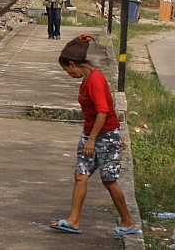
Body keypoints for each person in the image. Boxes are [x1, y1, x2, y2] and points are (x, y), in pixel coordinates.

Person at [50, 35, 139, 237]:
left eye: (67, 70)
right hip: (93, 133)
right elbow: (108, 108)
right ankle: (73, 221)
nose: (69, 74)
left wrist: (98, 138)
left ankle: (128, 221)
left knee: (109, 180)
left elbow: (103, 111)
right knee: (80, 176)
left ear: (73, 64)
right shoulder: (88, 79)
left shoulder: (95, 80)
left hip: (102, 136)